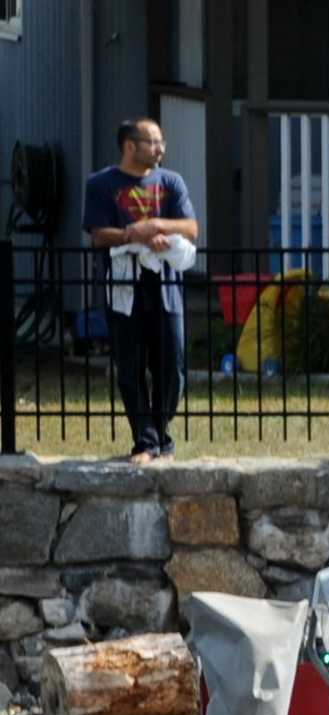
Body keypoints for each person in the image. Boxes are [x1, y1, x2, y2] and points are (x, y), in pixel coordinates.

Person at [83, 117, 199, 464]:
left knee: (172, 366)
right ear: (130, 145)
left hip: (166, 285)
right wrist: (135, 235)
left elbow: (192, 227)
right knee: (130, 366)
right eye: (153, 142)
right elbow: (98, 234)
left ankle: (160, 435)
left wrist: (158, 225)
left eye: (161, 142)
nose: (160, 149)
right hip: (125, 286)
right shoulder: (102, 184)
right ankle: (145, 442)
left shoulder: (171, 182)